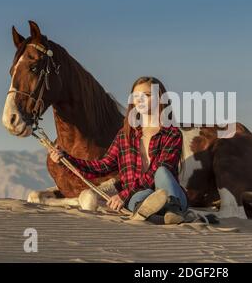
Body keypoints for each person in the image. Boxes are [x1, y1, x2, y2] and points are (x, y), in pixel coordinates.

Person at [49, 76, 187, 224]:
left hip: (170, 193)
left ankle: (172, 210)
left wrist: (124, 195)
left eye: (146, 95)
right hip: (139, 194)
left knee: (162, 172)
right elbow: (103, 166)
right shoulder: (125, 135)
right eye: (136, 96)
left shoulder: (172, 134)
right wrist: (66, 159)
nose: (139, 100)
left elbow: (157, 169)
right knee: (142, 196)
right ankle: (156, 214)